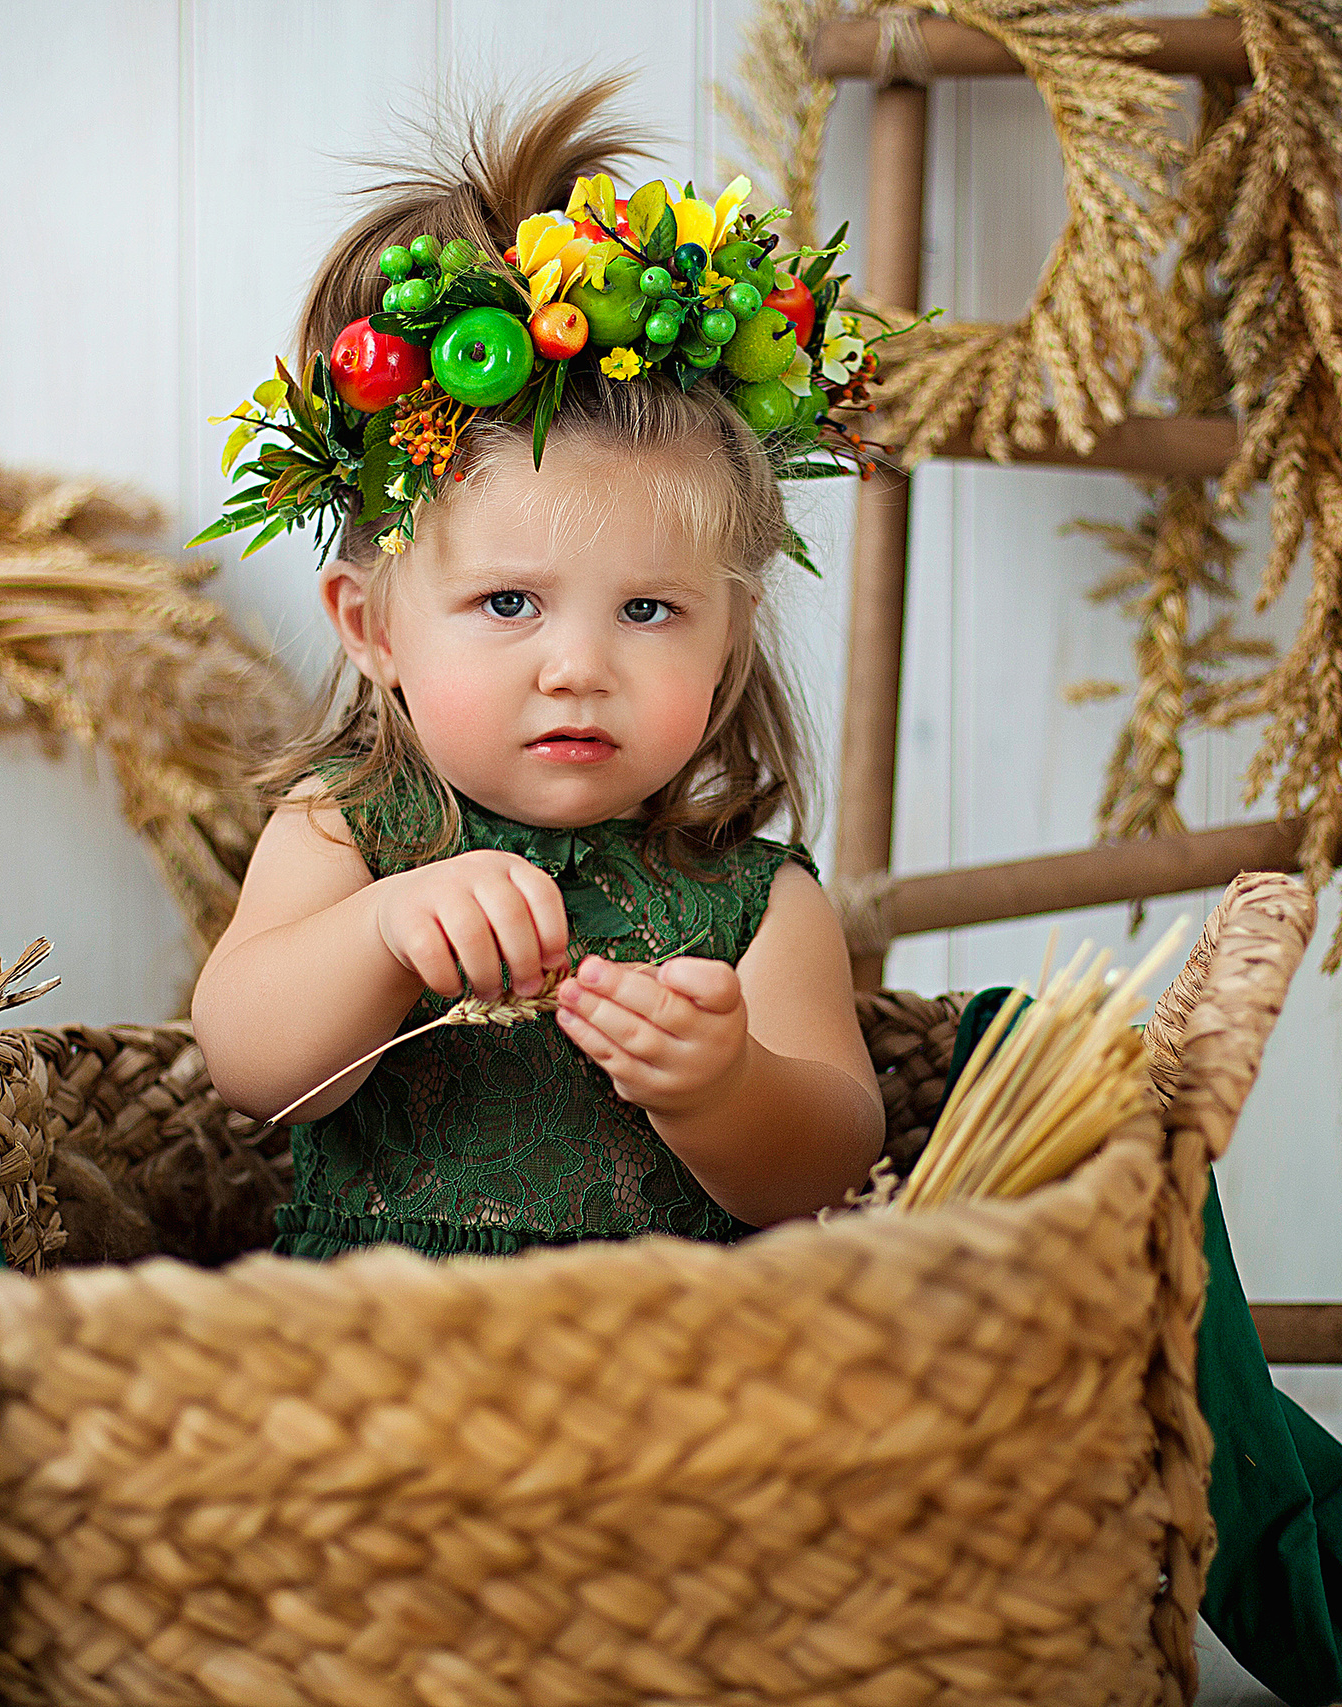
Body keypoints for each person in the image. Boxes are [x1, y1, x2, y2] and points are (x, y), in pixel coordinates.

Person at [189, 81, 885, 1260]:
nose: (577, 667)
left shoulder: (756, 900)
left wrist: (725, 1088)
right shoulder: (351, 836)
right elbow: (249, 1069)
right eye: (507, 603)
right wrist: (380, 932)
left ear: (730, 633)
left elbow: (827, 1166)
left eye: (651, 610)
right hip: (371, 1367)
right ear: (372, 627)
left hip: (652, 1371)